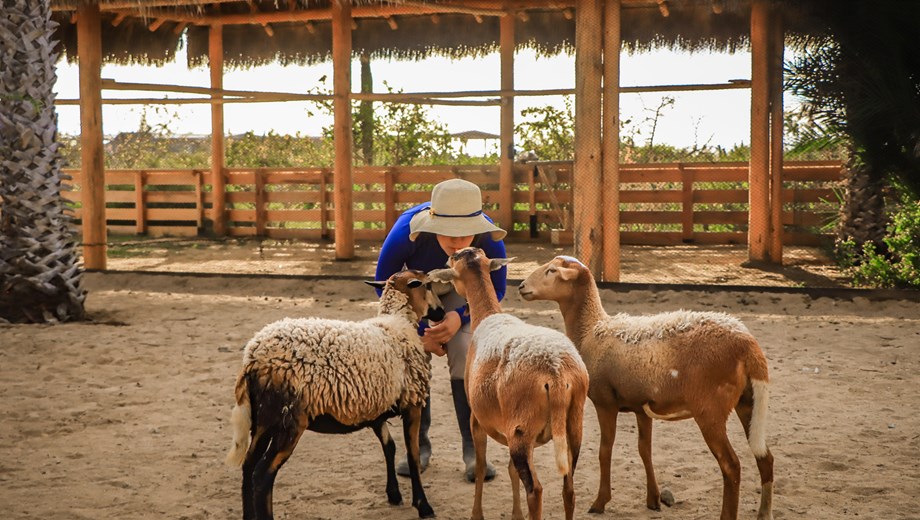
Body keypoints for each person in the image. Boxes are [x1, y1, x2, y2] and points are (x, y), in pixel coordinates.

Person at [373, 178, 506, 483]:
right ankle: (418, 447)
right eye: (447, 232)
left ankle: (474, 451)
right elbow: (385, 286)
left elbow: (495, 290)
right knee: (414, 359)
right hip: (419, 291)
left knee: (463, 350)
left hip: (463, 289)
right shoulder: (405, 233)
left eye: (464, 232)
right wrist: (420, 332)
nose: (457, 242)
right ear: (432, 223)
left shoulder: (489, 237)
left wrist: (460, 317)